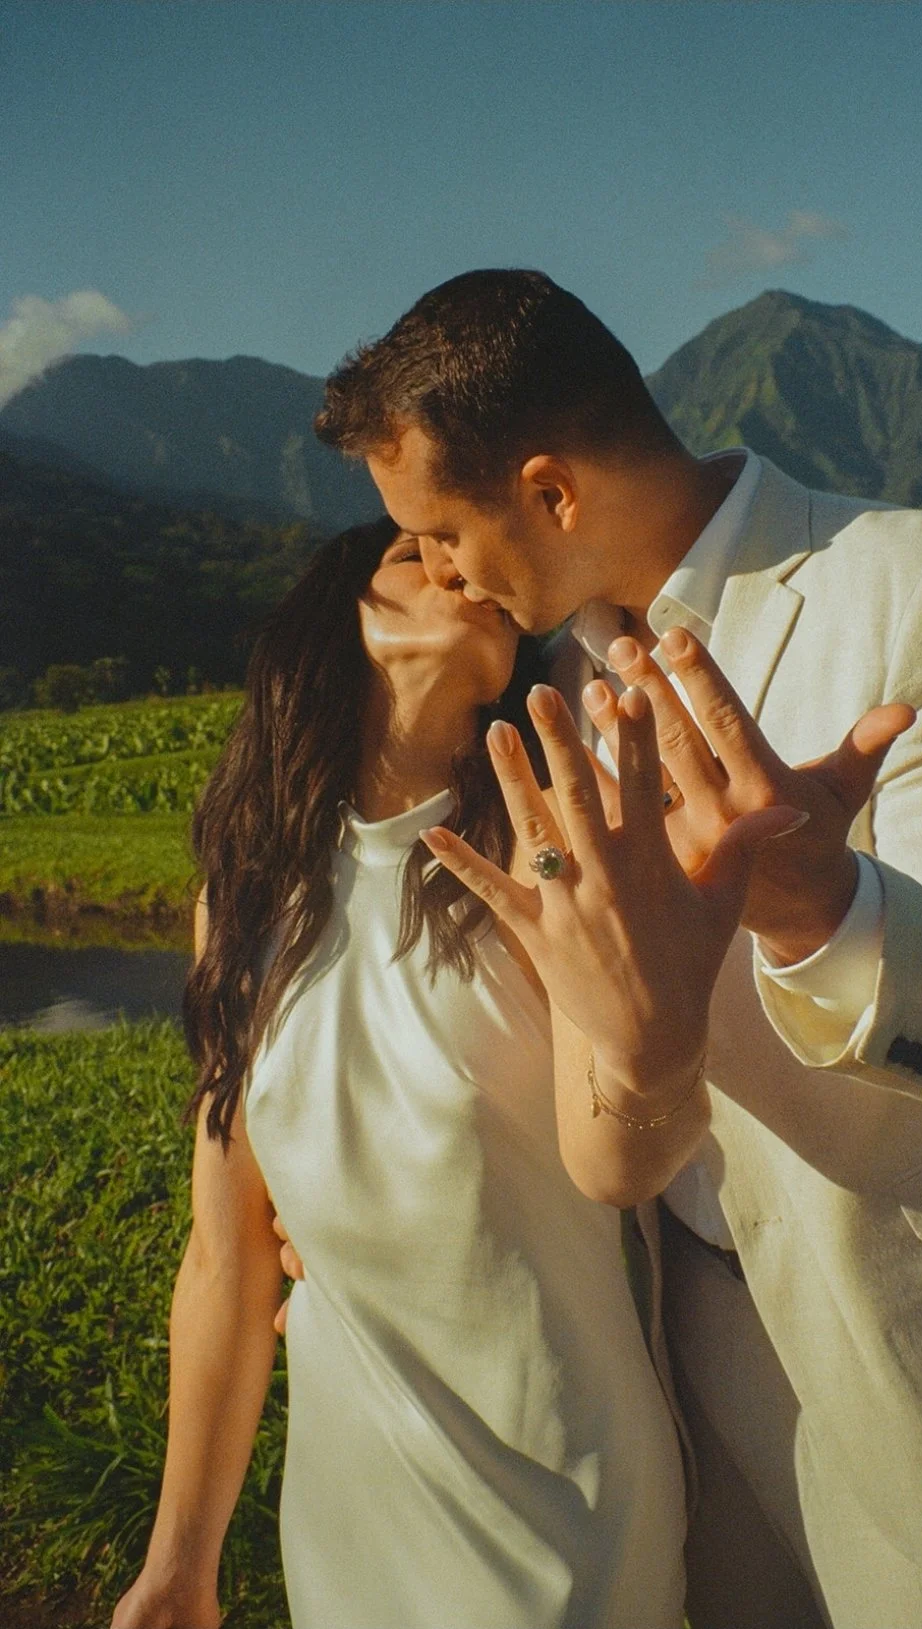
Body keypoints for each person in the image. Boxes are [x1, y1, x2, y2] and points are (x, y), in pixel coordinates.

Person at [312, 269, 922, 1629]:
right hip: (690, 1392)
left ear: (548, 491)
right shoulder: (559, 691)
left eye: (442, 529)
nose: (442, 571)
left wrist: (818, 908)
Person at [110, 516, 711, 1629]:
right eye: (406, 555)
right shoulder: (246, 897)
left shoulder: (549, 860)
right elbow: (227, 1256)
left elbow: (617, 1149)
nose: (449, 563)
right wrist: (178, 1564)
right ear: (334, 623)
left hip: (560, 1504)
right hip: (351, 1501)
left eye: (458, 547)